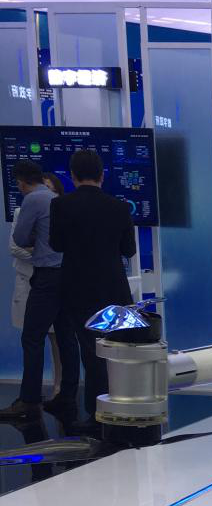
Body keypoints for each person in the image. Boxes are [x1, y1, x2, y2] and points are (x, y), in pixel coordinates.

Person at [49, 149, 135, 431]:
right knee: (117, 352)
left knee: (90, 352)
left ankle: (97, 416)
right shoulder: (119, 207)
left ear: (72, 175)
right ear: (102, 175)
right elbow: (129, 250)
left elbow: (56, 244)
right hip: (113, 290)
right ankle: (123, 407)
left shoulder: (61, 205)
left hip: (78, 290)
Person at [0, 162, 79, 424]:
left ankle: (28, 400)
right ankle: (67, 395)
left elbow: (20, 239)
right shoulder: (58, 200)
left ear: (21, 182)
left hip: (46, 277)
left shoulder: (33, 200)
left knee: (32, 337)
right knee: (66, 337)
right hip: (67, 275)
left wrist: (36, 238)